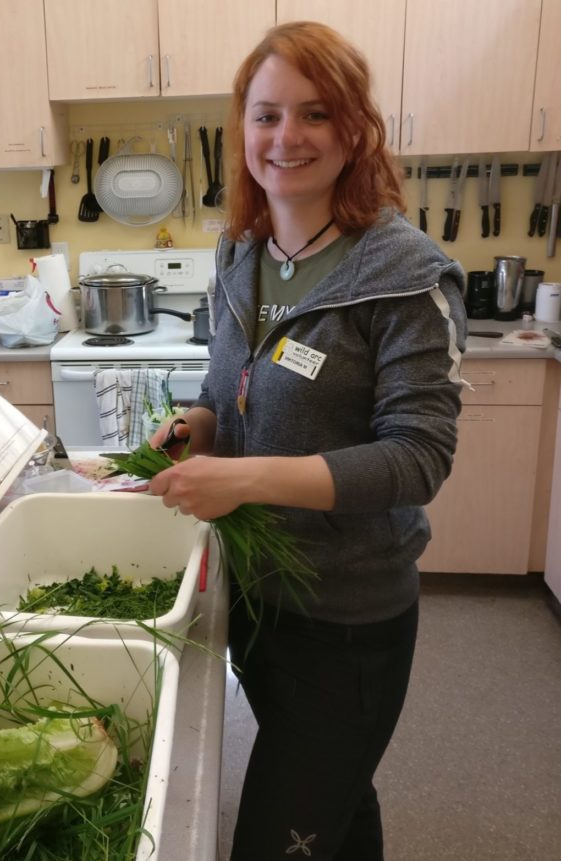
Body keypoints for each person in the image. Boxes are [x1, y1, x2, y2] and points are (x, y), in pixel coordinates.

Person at [147, 20, 467, 861]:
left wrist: (245, 479)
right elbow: (227, 395)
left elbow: (416, 457)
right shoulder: (238, 255)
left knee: (276, 836)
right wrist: (194, 428)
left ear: (355, 129)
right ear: (241, 130)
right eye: (264, 115)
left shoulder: (403, 273)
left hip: (347, 622)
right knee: (338, 803)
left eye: (314, 113)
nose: (285, 137)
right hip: (254, 600)